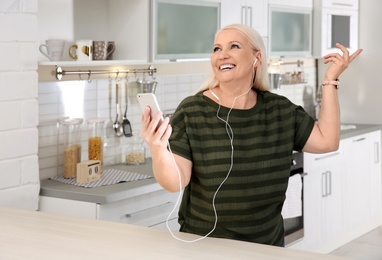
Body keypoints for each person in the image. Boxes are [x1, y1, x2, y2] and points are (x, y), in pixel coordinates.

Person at [140, 24, 362, 247]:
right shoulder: (192, 111)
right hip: (205, 245)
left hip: (266, 246)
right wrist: (157, 148)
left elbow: (327, 141)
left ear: (256, 57)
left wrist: (330, 80)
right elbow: (175, 182)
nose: (222, 55)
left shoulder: (280, 110)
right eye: (217, 48)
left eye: (234, 46)